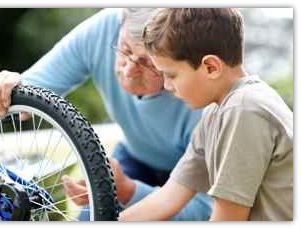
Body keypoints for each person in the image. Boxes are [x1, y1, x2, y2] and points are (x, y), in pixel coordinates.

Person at [0, 8, 212, 220]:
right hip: (136, 155)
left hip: (191, 177)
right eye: (125, 49)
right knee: (90, 217)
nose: (129, 69)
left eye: (148, 63)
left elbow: (207, 213)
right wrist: (9, 84)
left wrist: (129, 192)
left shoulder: (206, 99)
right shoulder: (105, 28)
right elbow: (34, 88)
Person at [119, 8, 293, 221]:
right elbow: (169, 198)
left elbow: (228, 219)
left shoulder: (244, 109)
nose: (166, 85)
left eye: (171, 75)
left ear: (211, 67)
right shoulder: (215, 112)